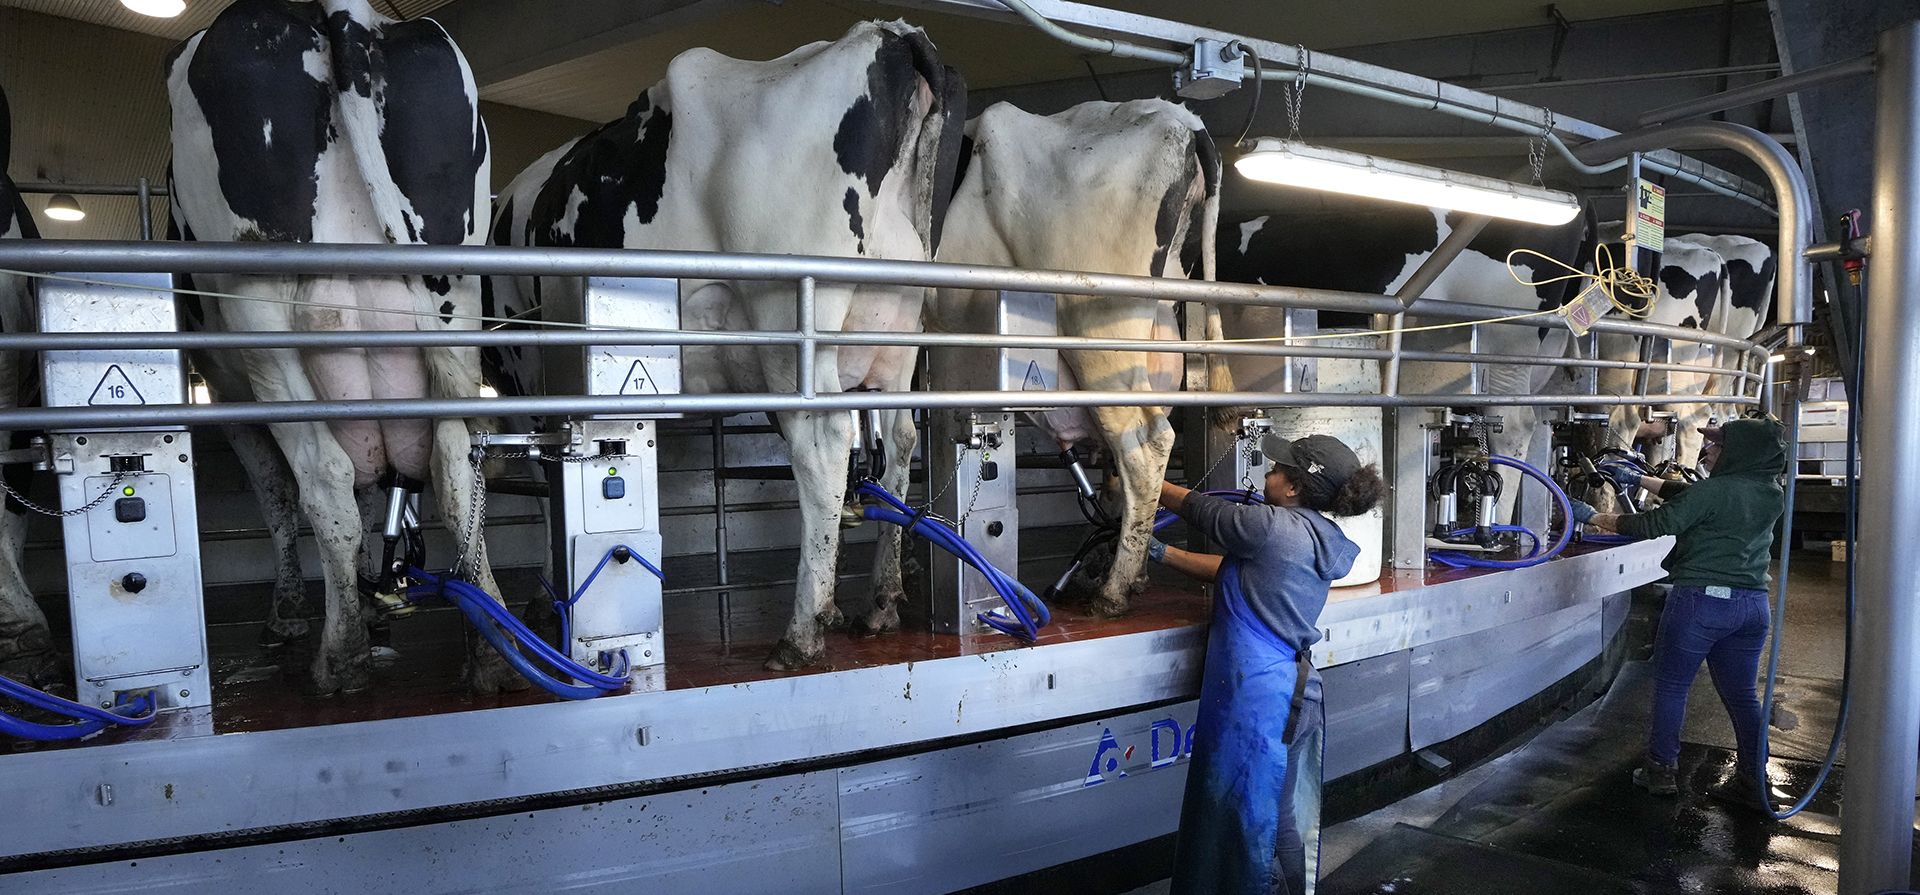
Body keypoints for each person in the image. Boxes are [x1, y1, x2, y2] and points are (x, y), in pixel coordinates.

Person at [1152, 433, 1385, 895]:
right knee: (1281, 817)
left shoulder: (1269, 527)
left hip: (1260, 698)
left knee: (1243, 818)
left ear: (1295, 487)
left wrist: (1143, 480)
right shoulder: (1316, 537)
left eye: (1277, 470)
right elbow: (1232, 569)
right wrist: (1161, 553)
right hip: (1296, 690)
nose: (1267, 474)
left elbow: (1203, 510)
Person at [1570, 417, 1788, 809]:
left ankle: (1661, 770)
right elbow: (1693, 495)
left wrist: (1593, 517)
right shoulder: (1770, 491)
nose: (1708, 451)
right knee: (1743, 696)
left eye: (1717, 446)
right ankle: (1754, 781)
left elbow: (1656, 522)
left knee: (1672, 686)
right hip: (1752, 608)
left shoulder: (1716, 491)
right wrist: (1638, 479)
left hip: (1701, 603)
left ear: (1739, 452)